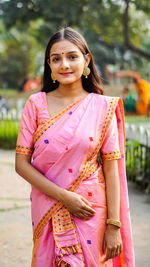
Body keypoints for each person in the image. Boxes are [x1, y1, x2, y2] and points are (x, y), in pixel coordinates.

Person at [15, 27, 134, 267]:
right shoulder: (36, 104)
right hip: (49, 207)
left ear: (86, 59)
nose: (64, 65)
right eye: (56, 59)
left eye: (72, 56)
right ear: (49, 65)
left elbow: (111, 170)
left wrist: (113, 225)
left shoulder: (102, 107)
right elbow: (21, 164)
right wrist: (64, 197)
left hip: (91, 211)